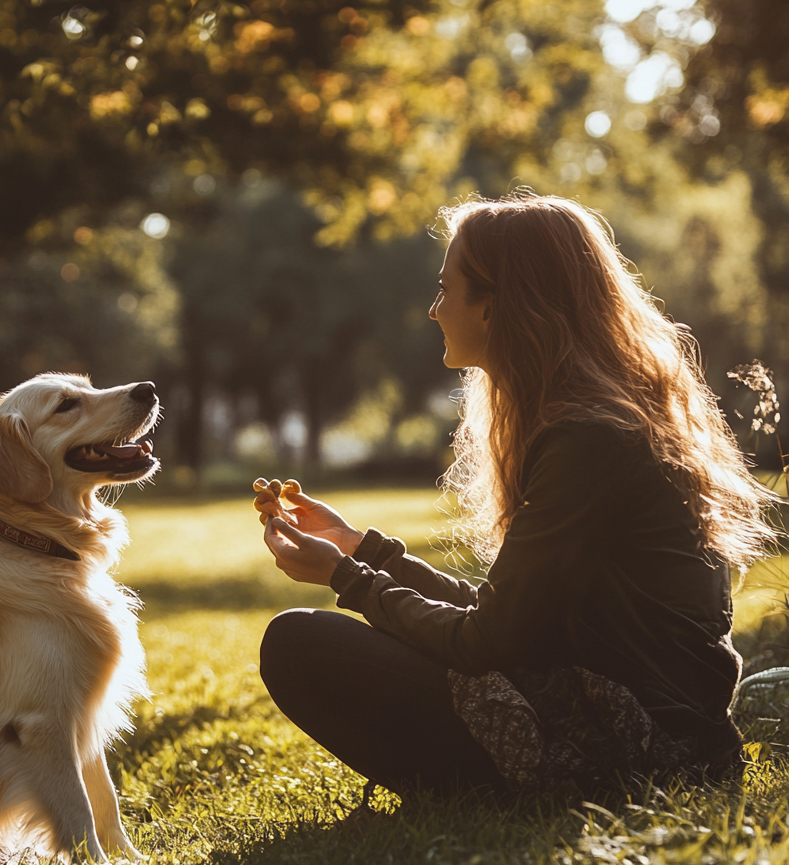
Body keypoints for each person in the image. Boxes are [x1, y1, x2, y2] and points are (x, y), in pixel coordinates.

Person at [255, 192, 777, 798]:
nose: (433, 310)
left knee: (297, 644)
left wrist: (350, 578)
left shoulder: (590, 439)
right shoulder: (593, 423)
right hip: (625, 713)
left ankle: (500, 791)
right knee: (310, 640)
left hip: (634, 741)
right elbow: (515, 618)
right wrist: (359, 550)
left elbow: (489, 641)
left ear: (497, 305)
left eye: (447, 289)